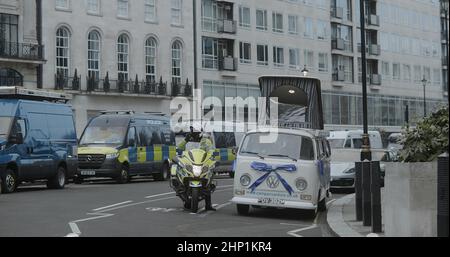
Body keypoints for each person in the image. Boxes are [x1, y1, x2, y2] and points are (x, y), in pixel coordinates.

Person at [177, 127, 216, 211]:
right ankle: (184, 196)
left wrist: (212, 158)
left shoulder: (206, 141)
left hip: (201, 164)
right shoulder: (188, 140)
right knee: (177, 174)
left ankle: (208, 205)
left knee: (209, 180)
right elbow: (179, 149)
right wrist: (185, 140)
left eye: (197, 131)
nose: (195, 133)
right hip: (190, 164)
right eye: (193, 131)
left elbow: (211, 152)